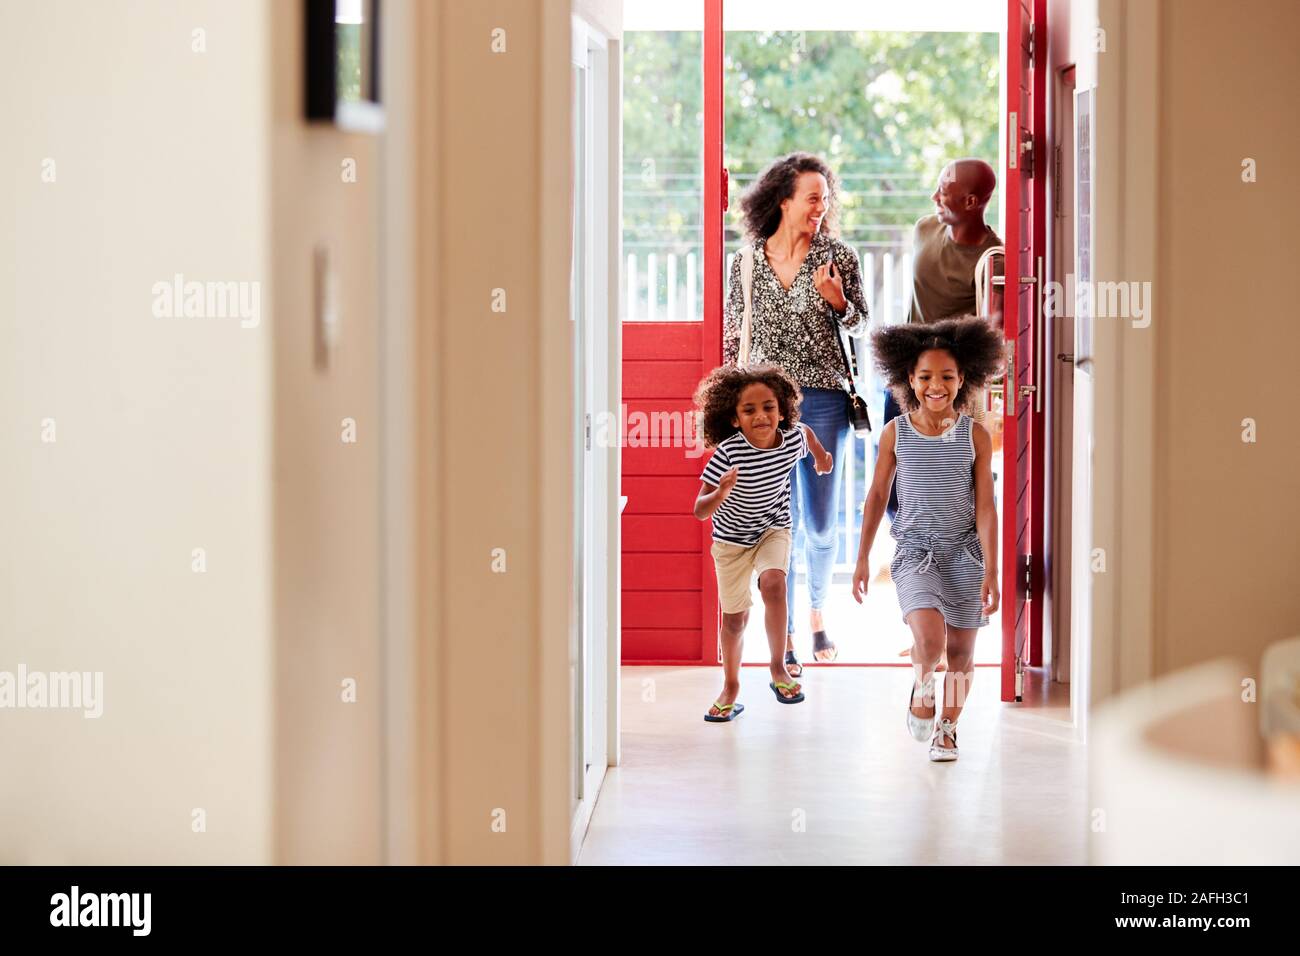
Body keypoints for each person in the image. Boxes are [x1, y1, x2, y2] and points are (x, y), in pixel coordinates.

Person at [723, 152, 868, 673]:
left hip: (826, 401)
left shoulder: (838, 256)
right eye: (812, 198)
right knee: (775, 522)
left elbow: (859, 324)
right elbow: (732, 339)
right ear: (783, 199)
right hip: (767, 409)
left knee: (823, 522)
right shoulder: (745, 262)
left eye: (825, 200)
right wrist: (731, 412)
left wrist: (836, 301)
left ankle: (816, 612)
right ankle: (783, 635)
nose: (820, 207)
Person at [852, 318, 1004, 760]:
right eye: (925, 377)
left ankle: (949, 729)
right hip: (916, 554)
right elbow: (878, 495)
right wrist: (862, 558)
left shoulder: (974, 435)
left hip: (966, 555)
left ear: (964, 381)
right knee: (932, 642)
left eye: (947, 377)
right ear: (908, 380)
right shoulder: (895, 433)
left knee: (960, 652)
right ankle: (922, 686)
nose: (936, 385)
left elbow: (986, 507)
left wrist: (991, 568)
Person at [693, 364, 833, 721]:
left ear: (782, 411)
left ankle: (777, 667)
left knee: (774, 583)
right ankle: (731, 686)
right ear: (735, 419)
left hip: (773, 528)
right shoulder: (728, 454)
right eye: (749, 410)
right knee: (736, 619)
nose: (761, 416)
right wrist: (721, 492)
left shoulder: (792, 439)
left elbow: (810, 438)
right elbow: (699, 510)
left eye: (769, 407)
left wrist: (821, 459)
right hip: (731, 541)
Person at [884, 158, 1004, 522]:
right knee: (892, 490)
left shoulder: (992, 258)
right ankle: (915, 550)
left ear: (971, 202)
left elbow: (992, 333)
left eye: (944, 191)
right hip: (905, 369)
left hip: (946, 385)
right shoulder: (924, 229)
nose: (934, 196)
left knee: (950, 486)